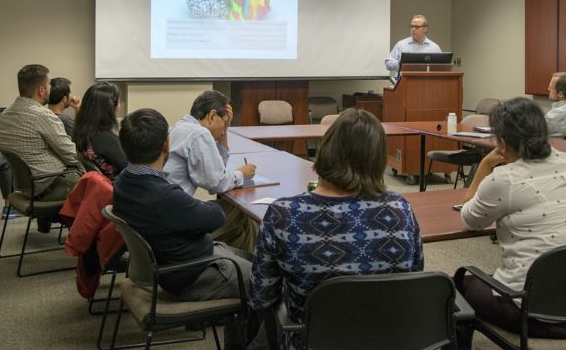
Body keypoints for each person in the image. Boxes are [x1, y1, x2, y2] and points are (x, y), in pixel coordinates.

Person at [249, 108, 423, 349]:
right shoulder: (400, 208)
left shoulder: (284, 214)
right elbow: (414, 278)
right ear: (378, 158)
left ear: (326, 149)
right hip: (390, 340)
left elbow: (261, 296)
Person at [458, 97, 566, 342]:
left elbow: (469, 220)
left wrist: (485, 163)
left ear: (503, 143)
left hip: (540, 317)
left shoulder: (505, 178)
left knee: (457, 286)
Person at [113, 107, 252, 304]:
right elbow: (216, 217)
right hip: (191, 275)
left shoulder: (122, 181)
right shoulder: (163, 196)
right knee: (266, 279)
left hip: (172, 264)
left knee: (251, 258)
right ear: (166, 145)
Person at [164, 90, 257, 251]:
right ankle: (253, 268)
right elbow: (216, 183)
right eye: (225, 121)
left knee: (239, 230)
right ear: (212, 115)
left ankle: (241, 264)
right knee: (245, 214)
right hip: (178, 221)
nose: (224, 128)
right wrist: (242, 174)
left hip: (169, 213)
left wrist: (225, 128)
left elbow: (217, 168)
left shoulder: (180, 127)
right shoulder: (198, 134)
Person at [0, 64, 83, 205]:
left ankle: (47, 224)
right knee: (101, 185)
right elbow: (72, 155)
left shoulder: (5, 114)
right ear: (42, 90)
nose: (50, 88)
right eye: (49, 84)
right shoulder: (42, 115)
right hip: (51, 187)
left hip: (26, 187)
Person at [73, 82, 127, 180]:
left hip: (99, 186)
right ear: (111, 108)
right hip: (119, 188)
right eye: (118, 102)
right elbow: (131, 168)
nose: (119, 106)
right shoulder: (105, 139)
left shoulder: (82, 131)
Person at [385, 14, 442, 80]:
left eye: (416, 27)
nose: (413, 29)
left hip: (427, 84)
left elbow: (442, 69)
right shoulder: (401, 45)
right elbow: (388, 64)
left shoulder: (434, 48)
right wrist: (399, 63)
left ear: (425, 29)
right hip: (404, 83)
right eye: (412, 26)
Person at [544, 71, 566, 138]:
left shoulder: (559, 114)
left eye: (551, 88)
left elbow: (531, 131)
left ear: (560, 94)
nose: (548, 89)